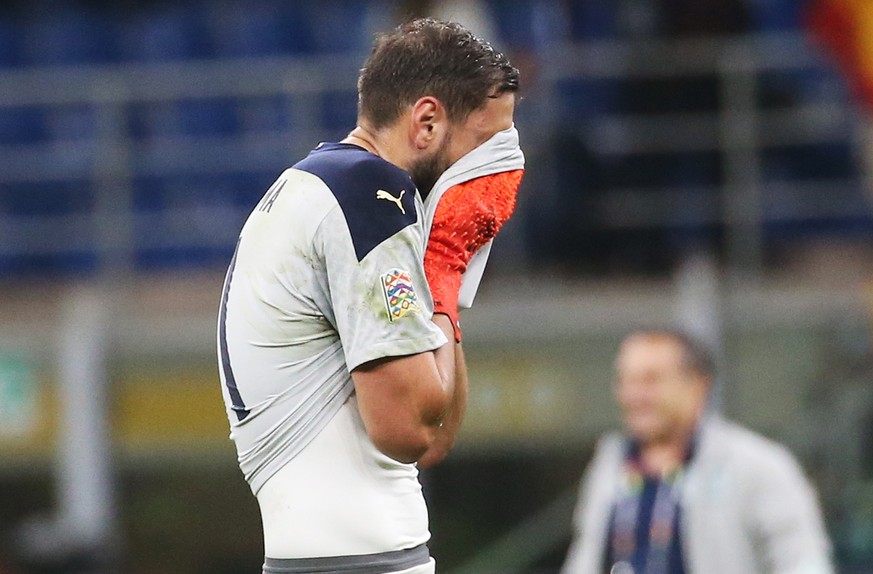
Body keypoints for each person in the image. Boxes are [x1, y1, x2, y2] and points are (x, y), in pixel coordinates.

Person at [216, 18, 520, 574]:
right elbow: (406, 431)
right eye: (486, 145)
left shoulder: (317, 183)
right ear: (426, 122)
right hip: (358, 561)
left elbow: (434, 437)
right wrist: (446, 265)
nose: (501, 170)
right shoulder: (369, 197)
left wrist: (442, 287)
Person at [561, 328, 835, 574]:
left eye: (651, 380)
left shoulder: (755, 463)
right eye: (626, 380)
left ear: (697, 386)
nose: (634, 395)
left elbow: (804, 561)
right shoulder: (610, 464)